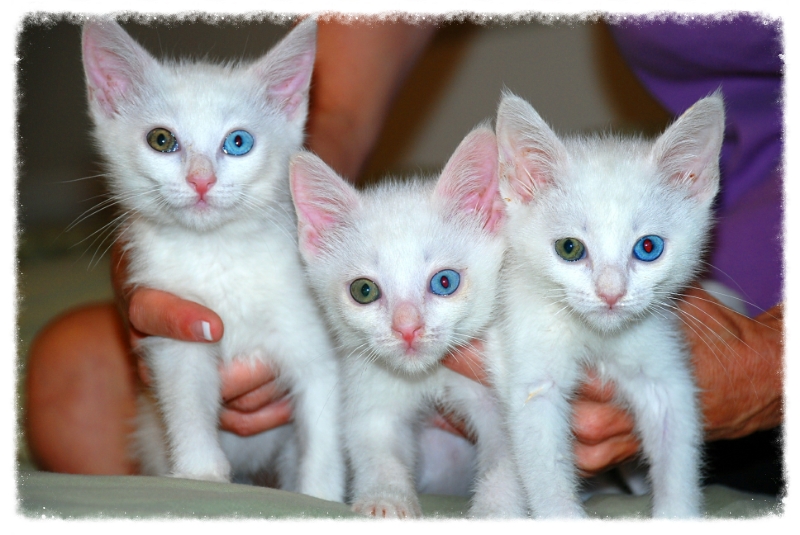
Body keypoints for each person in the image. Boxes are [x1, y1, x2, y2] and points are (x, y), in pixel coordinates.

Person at [25, 16, 783, 489]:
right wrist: (216, 224)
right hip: (685, 209)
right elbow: (339, 109)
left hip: (749, 270)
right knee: (72, 373)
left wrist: (769, 366)